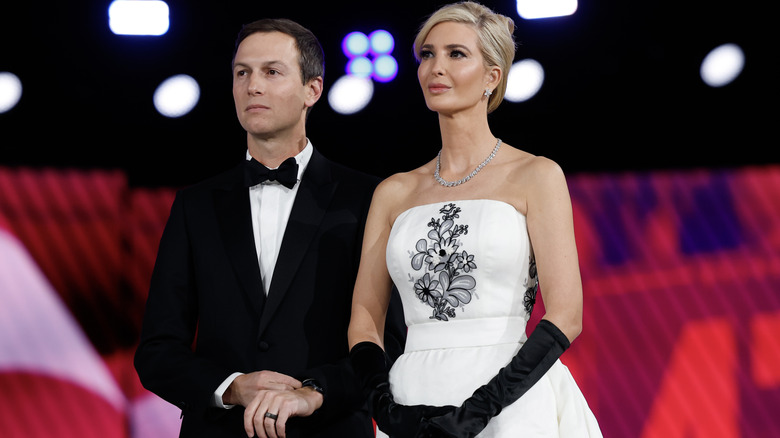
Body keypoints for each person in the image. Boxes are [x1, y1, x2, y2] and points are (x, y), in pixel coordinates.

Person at [134, 18, 405, 438]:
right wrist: (232, 387)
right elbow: (156, 351)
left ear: (312, 90)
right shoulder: (195, 204)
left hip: (329, 428)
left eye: (271, 72)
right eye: (242, 73)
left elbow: (392, 338)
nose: (252, 86)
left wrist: (315, 392)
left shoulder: (368, 198)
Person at [347, 2, 602, 437]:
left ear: (492, 77)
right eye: (427, 54)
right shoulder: (394, 192)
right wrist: (386, 408)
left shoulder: (535, 175)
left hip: (509, 398)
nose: (435, 68)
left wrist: (477, 411)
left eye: (455, 54)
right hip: (414, 398)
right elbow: (364, 321)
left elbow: (566, 314)